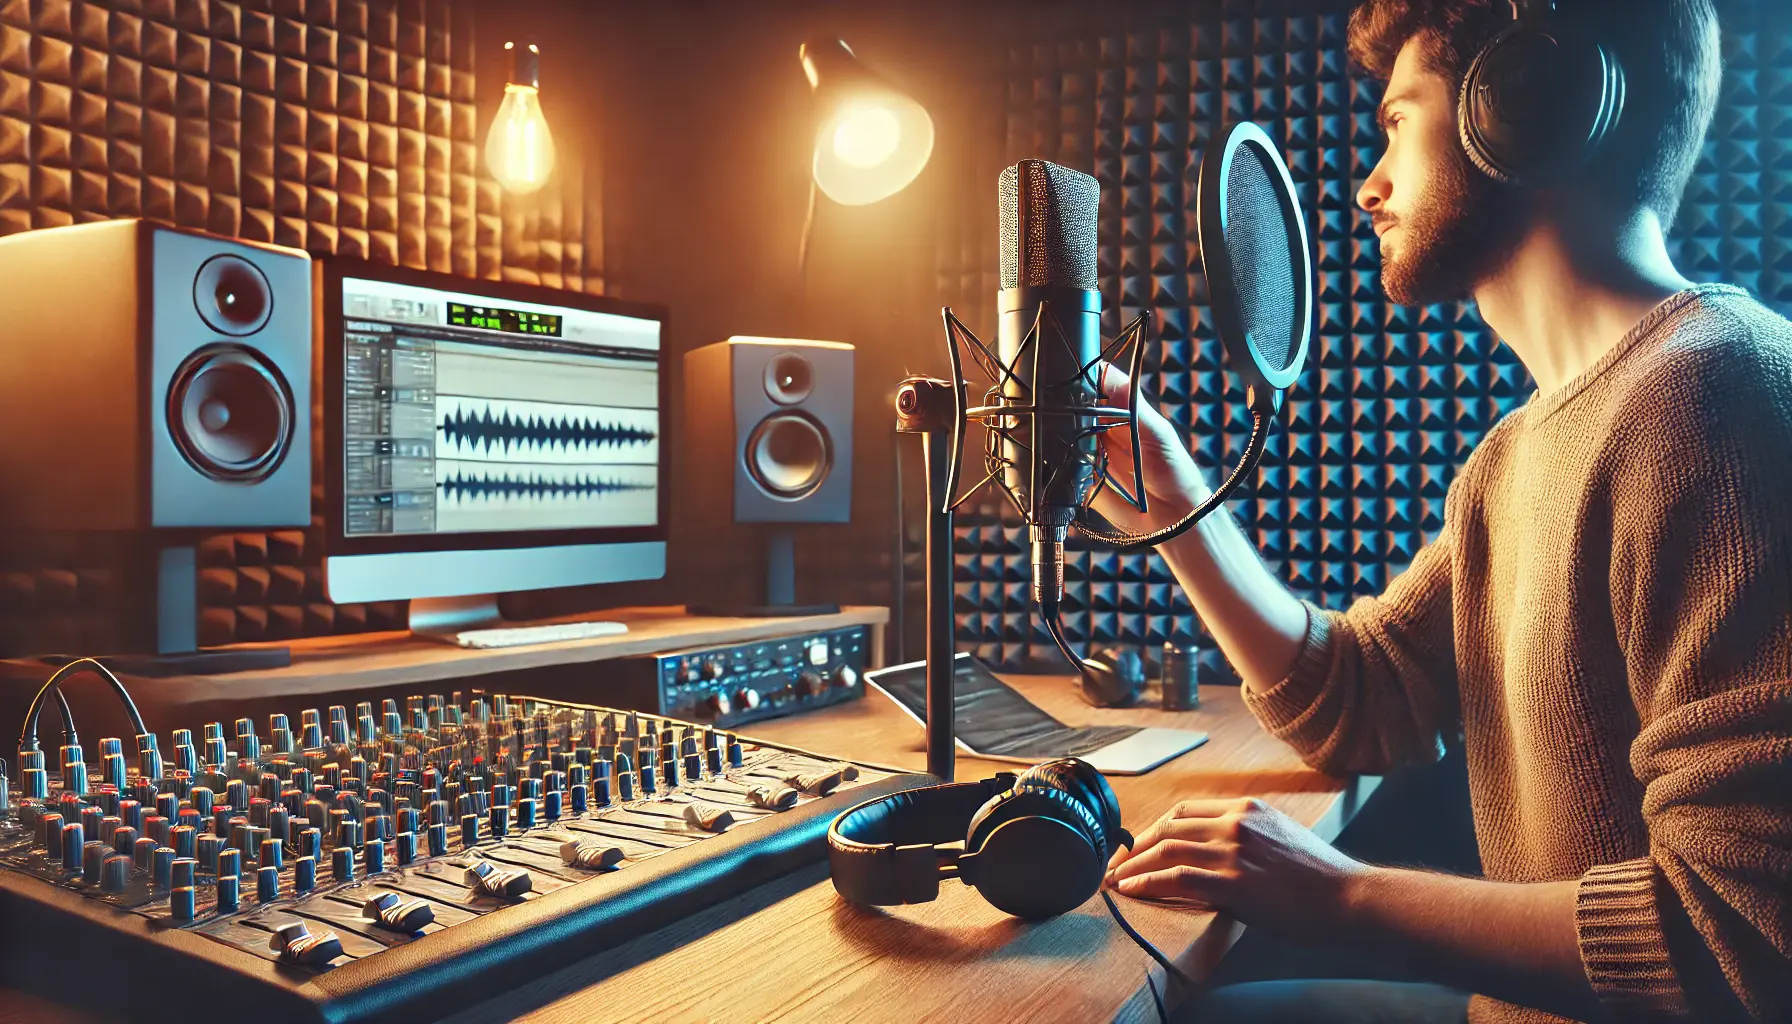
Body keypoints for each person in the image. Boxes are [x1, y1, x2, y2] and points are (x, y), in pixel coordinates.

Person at [1093, 0, 1792, 1021]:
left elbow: (1742, 937)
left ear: (1520, 110)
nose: (1370, 186)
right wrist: (1178, 504)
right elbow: (1357, 698)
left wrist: (1338, 896)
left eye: (1395, 123)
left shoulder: (1719, 402)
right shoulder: (1512, 459)